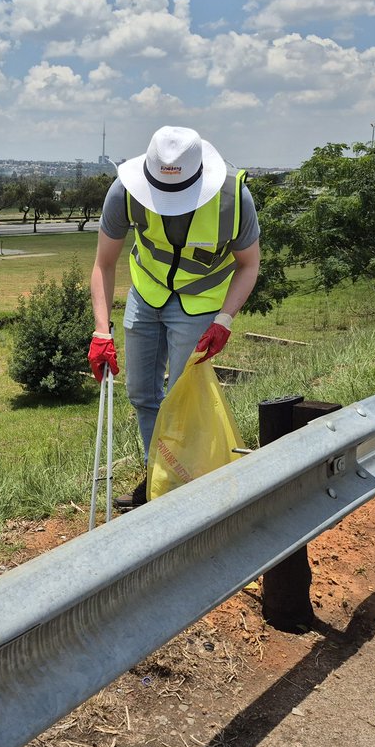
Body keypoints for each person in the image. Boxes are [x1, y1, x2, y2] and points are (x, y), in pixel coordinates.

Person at [88, 126, 260, 509]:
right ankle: (157, 482)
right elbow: (103, 263)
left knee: (185, 401)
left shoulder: (233, 199)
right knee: (143, 395)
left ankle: (190, 488)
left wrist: (225, 319)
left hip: (200, 305)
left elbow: (250, 265)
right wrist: (102, 331)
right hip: (147, 293)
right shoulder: (125, 192)